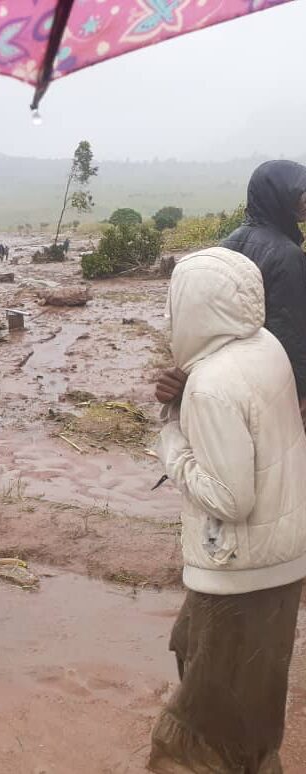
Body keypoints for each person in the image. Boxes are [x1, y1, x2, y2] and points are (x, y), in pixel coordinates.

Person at [149, 247, 306, 773]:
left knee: (198, 734)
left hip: (240, 569)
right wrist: (187, 389)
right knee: (197, 651)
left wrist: (171, 441)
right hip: (280, 558)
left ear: (194, 307)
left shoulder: (212, 387)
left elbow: (229, 498)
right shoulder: (265, 347)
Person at [157, 160, 306, 410]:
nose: (304, 203)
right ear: (278, 196)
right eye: (300, 194)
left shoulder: (225, 245)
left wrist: (192, 374)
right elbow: (290, 331)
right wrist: (300, 392)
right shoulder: (287, 255)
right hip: (271, 379)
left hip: (226, 377)